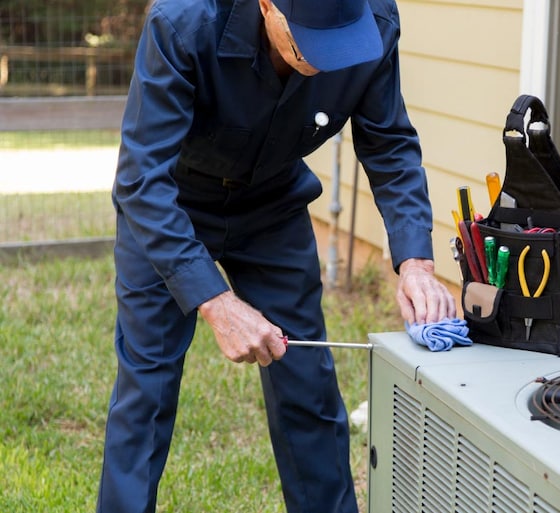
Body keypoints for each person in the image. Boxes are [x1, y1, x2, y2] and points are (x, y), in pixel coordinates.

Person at [96, 0, 456, 511]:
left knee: (306, 384)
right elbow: (141, 182)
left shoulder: (374, 24)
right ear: (267, 6)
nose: (324, 59)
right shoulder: (182, 25)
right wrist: (216, 302)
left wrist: (416, 261)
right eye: (308, 39)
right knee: (146, 392)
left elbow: (389, 143)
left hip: (272, 202)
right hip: (170, 203)